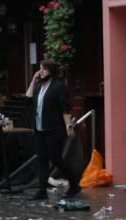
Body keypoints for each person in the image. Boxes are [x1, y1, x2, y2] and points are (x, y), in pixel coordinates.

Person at [25, 59, 80, 200]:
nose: (40, 71)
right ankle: (42, 190)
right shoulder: (38, 87)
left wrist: (68, 125)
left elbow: (65, 108)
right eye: (40, 68)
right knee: (42, 159)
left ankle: (74, 185)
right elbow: (28, 99)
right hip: (39, 129)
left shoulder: (59, 87)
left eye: (44, 69)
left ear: (51, 71)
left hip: (54, 129)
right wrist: (33, 80)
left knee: (56, 159)